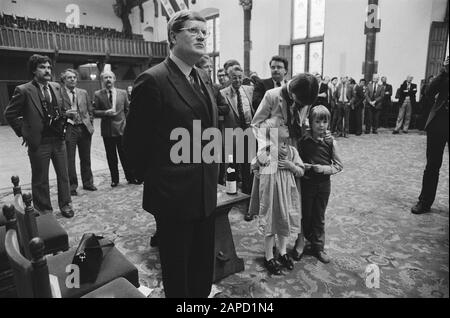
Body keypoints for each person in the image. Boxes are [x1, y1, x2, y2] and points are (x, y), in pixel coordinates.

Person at [123, 10, 219, 298]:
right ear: (173, 36)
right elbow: (135, 141)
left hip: (205, 189)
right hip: (173, 195)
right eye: (194, 30)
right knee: (179, 271)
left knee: (203, 265)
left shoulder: (202, 76)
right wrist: (154, 177)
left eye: (205, 32)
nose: (202, 36)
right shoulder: (153, 79)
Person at [251, 73, 320, 253]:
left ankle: (299, 238)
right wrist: (271, 148)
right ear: (293, 91)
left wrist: (319, 136)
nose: (302, 105)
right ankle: (270, 242)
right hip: (273, 149)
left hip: (295, 149)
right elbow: (256, 125)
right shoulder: (272, 96)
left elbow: (304, 121)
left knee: (294, 196)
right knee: (272, 199)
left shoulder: (305, 97)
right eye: (299, 101)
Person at [4, 54, 74, 218]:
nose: (47, 70)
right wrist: (24, 132)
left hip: (58, 140)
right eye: (43, 67)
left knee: (64, 176)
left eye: (49, 67)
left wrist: (66, 114)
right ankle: (44, 210)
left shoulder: (56, 86)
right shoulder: (23, 90)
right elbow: (10, 114)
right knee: (40, 179)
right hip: (39, 142)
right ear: (34, 70)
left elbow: (58, 110)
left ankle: (66, 205)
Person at [250, 119, 304, 275]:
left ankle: (282, 252)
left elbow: (301, 170)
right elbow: (254, 164)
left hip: (286, 194)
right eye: (281, 125)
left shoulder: (292, 151)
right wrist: (259, 170)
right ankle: (268, 256)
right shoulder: (265, 152)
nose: (286, 126)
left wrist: (290, 166)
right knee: (270, 224)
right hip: (270, 196)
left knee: (283, 221)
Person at [297, 105, 343, 263]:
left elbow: (338, 166)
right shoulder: (303, 141)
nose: (321, 125)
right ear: (311, 122)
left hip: (323, 185)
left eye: (325, 121)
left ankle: (319, 247)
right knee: (306, 215)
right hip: (306, 184)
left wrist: (323, 169)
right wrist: (304, 166)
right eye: (317, 121)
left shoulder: (331, 142)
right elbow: (298, 161)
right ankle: (303, 242)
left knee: (319, 216)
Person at [411, 57, 449, 214]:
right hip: (439, 122)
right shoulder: (444, 76)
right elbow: (428, 91)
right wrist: (444, 71)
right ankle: (425, 202)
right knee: (432, 165)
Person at [93, 70, 138, 187]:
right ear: (102, 80)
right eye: (105, 78)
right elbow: (94, 112)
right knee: (111, 156)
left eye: (110, 77)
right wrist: (105, 113)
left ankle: (131, 177)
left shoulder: (122, 93)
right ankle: (115, 179)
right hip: (108, 131)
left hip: (122, 129)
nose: (108, 79)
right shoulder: (98, 94)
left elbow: (128, 110)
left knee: (126, 155)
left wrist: (129, 125)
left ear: (114, 79)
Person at [60, 68, 97, 196]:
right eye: (69, 77)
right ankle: (72, 186)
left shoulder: (83, 92)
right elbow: (58, 111)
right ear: (64, 80)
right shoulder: (59, 93)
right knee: (69, 160)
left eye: (74, 77)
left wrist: (90, 123)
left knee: (86, 158)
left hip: (84, 128)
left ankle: (88, 183)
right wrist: (66, 115)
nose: (72, 79)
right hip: (70, 128)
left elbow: (90, 110)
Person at [220, 65, 254, 194]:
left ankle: (247, 191)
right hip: (232, 134)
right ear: (229, 78)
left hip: (248, 132)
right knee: (232, 165)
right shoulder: (223, 93)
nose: (238, 80)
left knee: (247, 165)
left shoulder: (250, 90)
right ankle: (231, 191)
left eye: (240, 77)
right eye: (234, 78)